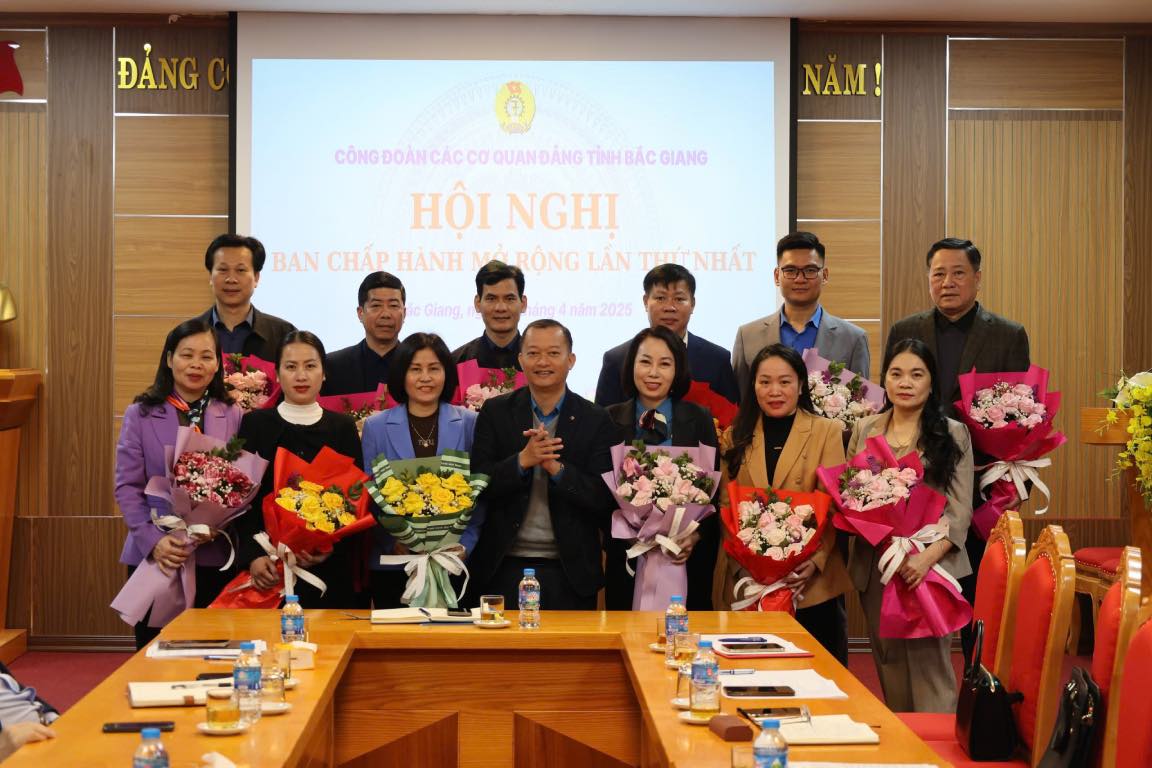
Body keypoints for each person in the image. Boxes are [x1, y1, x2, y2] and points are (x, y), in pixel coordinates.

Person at [884, 237, 1029, 657]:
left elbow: (1022, 413)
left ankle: (977, 686)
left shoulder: (1007, 334)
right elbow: (889, 400)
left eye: (958, 273)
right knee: (920, 595)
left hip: (981, 483)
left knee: (978, 593)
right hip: (915, 486)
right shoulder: (906, 330)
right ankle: (924, 690)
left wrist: (1013, 488)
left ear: (977, 279)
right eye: (938, 274)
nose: (947, 282)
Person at [847, 338, 973, 713]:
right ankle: (905, 743)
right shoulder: (864, 428)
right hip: (877, 564)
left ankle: (936, 751)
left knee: (929, 664)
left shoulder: (952, 433)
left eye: (916, 374)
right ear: (884, 380)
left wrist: (924, 559)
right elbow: (851, 495)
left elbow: (959, 511)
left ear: (931, 382)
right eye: (896, 373)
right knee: (888, 662)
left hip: (927, 568)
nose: (905, 382)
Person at [715, 344, 851, 664]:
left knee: (817, 676)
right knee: (753, 675)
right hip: (750, 580)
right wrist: (745, 561)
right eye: (765, 382)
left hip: (811, 584)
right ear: (753, 386)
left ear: (801, 385)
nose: (774, 391)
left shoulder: (826, 431)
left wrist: (814, 561)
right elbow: (725, 504)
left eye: (785, 381)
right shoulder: (736, 435)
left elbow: (833, 506)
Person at [467, 319, 618, 610]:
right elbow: (478, 484)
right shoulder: (496, 412)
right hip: (503, 566)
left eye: (553, 353)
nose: (543, 362)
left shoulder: (596, 419)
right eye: (534, 353)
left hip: (570, 570)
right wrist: (522, 461)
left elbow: (603, 498)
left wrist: (557, 471)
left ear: (570, 360)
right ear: (521, 359)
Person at [114, 319, 244, 649]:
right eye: (187, 355)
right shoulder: (140, 414)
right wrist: (152, 540)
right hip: (158, 553)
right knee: (154, 651)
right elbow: (127, 486)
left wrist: (219, 522)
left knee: (214, 651)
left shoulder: (232, 414)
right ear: (170, 358)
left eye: (206, 356)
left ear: (218, 364)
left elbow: (242, 481)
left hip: (212, 552)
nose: (196, 364)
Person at [235, 331, 364, 608]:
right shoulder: (255, 425)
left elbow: (354, 499)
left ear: (324, 373)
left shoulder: (342, 427)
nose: (301, 375)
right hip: (267, 572)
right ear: (278, 375)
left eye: (310, 366)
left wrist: (328, 547)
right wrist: (253, 555)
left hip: (328, 572)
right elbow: (241, 500)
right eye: (291, 367)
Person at [361, 333, 483, 608]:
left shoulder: (469, 423)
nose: (425, 378)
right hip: (397, 565)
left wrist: (464, 545)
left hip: (454, 563)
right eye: (415, 369)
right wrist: (394, 540)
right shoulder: (376, 427)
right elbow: (369, 497)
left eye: (434, 369)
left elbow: (480, 493)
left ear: (447, 374)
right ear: (401, 375)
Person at [603, 327, 720, 610]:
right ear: (631, 365)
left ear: (678, 369)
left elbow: (712, 492)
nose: (653, 372)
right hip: (629, 556)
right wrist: (629, 531)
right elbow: (601, 492)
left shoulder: (699, 418)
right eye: (645, 362)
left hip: (684, 559)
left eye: (664, 363)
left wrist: (694, 534)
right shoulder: (609, 418)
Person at [732, 231, 871, 401]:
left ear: (825, 275)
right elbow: (739, 402)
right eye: (790, 270)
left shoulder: (853, 339)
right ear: (777, 276)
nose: (800, 279)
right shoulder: (747, 336)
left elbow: (861, 405)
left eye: (810, 270)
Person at [594, 264, 738, 407]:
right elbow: (602, 423)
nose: (670, 307)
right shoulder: (616, 359)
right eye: (661, 298)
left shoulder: (717, 359)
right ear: (645, 302)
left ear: (693, 304)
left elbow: (733, 421)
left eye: (679, 299)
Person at [195, 234, 295, 361]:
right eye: (223, 269)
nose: (231, 279)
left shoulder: (283, 334)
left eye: (241, 270)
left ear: (256, 278)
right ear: (210, 276)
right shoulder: (187, 334)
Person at [321, 272, 407, 396]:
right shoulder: (332, 367)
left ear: (404, 313)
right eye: (376, 305)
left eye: (393, 305)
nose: (386, 314)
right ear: (360, 313)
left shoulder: (416, 366)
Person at [452, 261, 527, 370]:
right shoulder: (457, 362)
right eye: (491, 299)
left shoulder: (539, 363)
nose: (501, 308)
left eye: (509, 299)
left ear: (523, 303)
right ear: (477, 303)